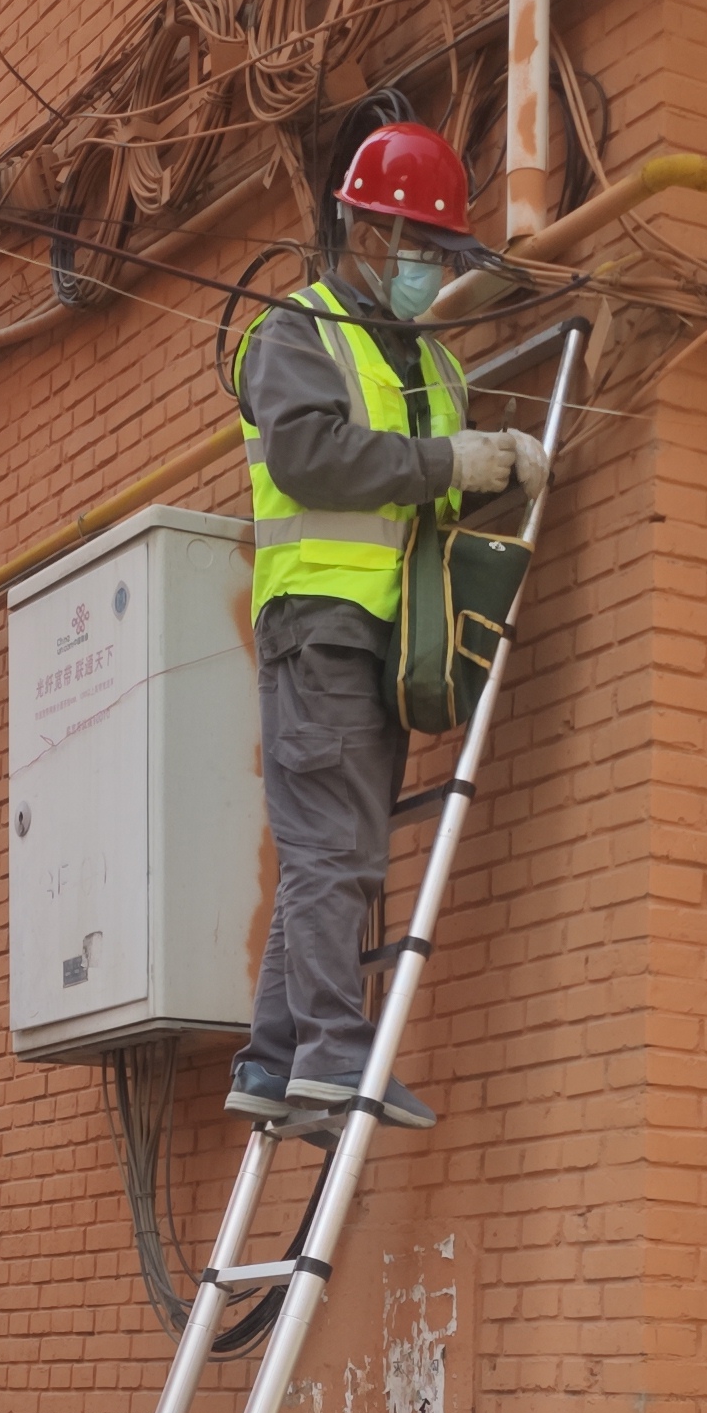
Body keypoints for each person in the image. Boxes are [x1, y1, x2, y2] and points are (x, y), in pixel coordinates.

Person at [225, 114, 548, 1139]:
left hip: (387, 642)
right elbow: (309, 458)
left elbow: (428, 491)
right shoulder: (297, 332)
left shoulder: (432, 367)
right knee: (337, 854)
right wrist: (451, 463)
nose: (429, 270)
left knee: (333, 849)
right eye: (419, 247)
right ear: (365, 232)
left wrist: (501, 470)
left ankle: (273, 1059)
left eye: (440, 253)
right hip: (318, 626)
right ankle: (332, 1053)